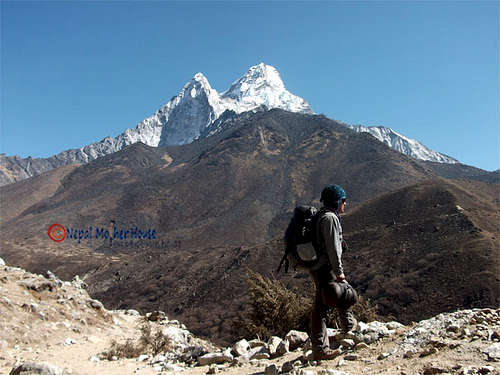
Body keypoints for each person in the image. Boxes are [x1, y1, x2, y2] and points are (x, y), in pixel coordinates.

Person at [309, 184, 358, 361]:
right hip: (325, 267)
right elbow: (333, 249)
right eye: (343, 201)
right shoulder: (330, 218)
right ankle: (321, 349)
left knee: (330, 299)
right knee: (326, 304)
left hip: (317, 266)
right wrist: (339, 272)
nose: (345, 204)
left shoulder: (321, 216)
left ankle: (349, 330)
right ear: (337, 202)